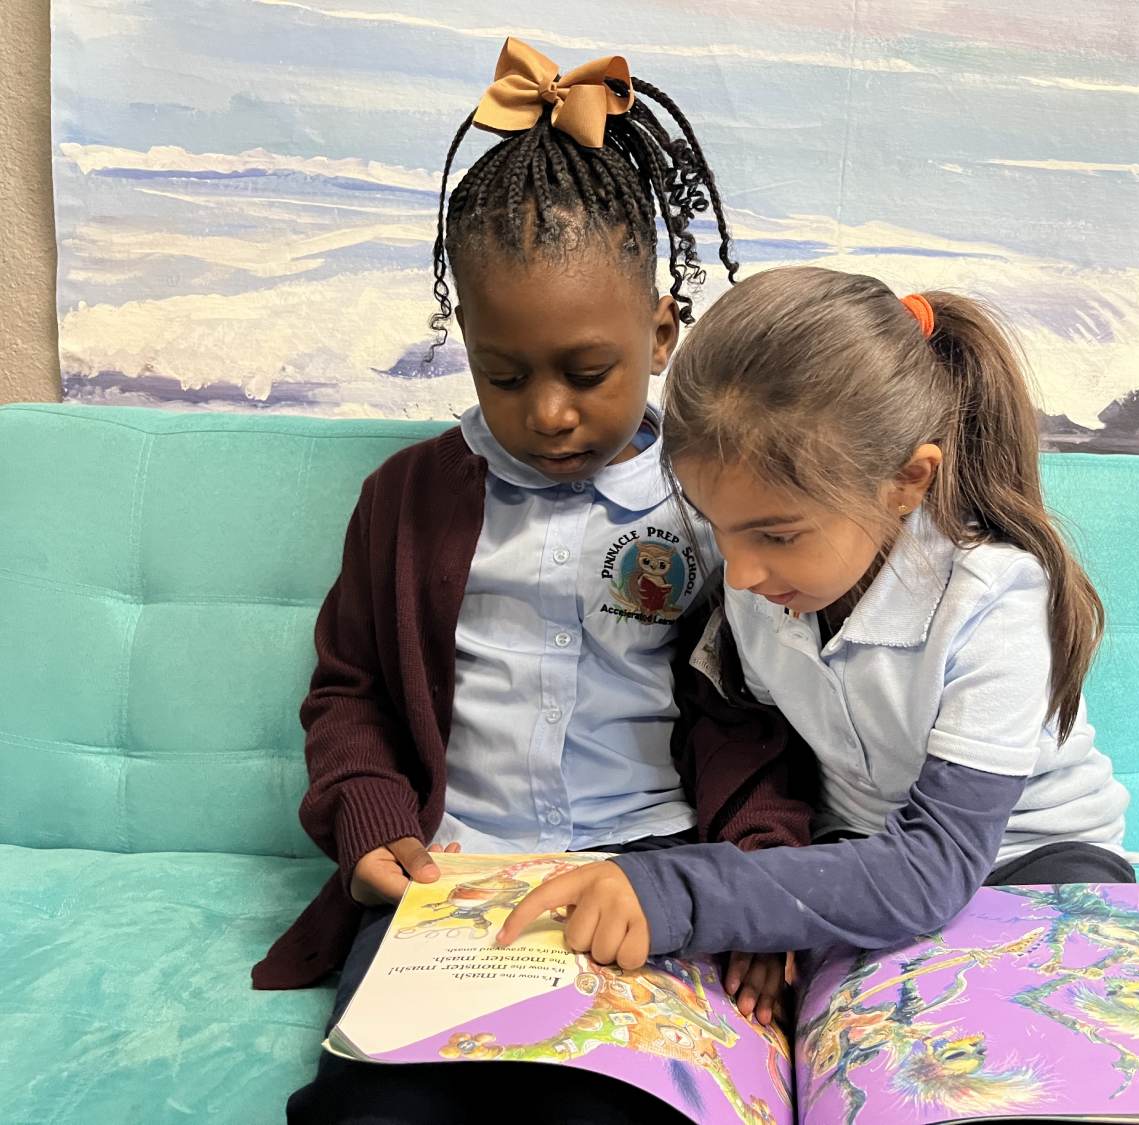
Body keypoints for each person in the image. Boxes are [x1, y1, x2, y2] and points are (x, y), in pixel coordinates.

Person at [250, 39, 811, 1123]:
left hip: (652, 870)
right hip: (450, 876)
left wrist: (758, 875)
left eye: (586, 374)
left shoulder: (712, 508)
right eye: (505, 376)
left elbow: (766, 712)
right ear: (464, 340)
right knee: (376, 1111)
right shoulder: (407, 500)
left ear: (660, 334)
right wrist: (371, 822)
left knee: (632, 1106)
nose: (547, 412)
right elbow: (350, 689)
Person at [501, 265, 1136, 969]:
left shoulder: (993, 602)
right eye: (718, 525)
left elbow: (934, 866)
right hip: (858, 861)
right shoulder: (763, 587)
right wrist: (765, 899)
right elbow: (766, 758)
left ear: (905, 482)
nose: (737, 574)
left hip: (1033, 864)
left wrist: (686, 893)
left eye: (777, 535)